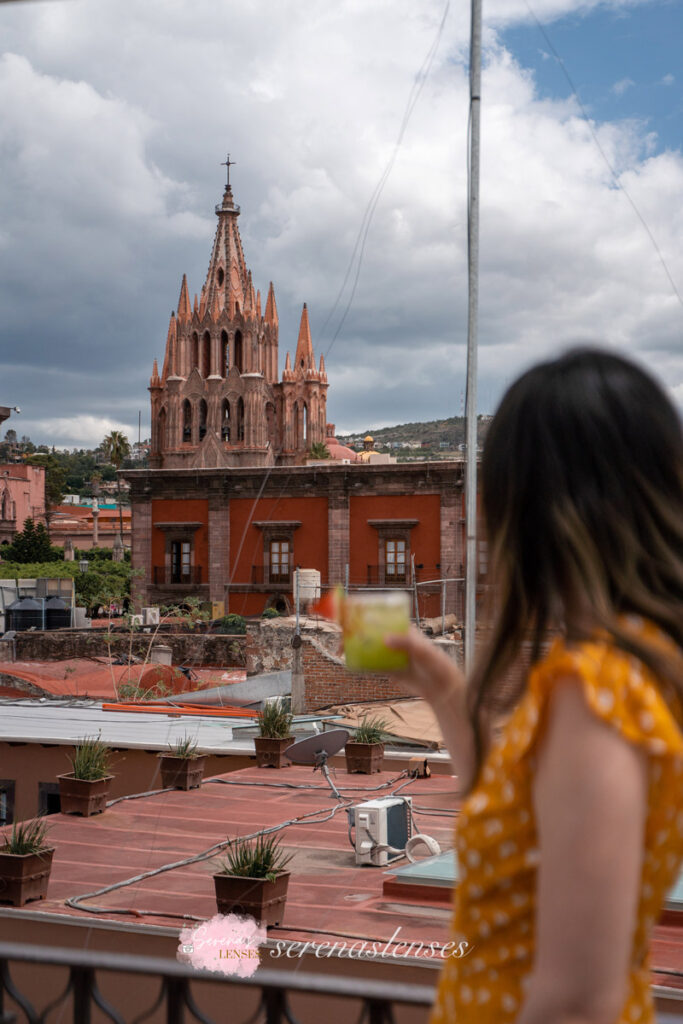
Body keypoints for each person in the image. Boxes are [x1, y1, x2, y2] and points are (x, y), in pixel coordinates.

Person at [387, 348, 683, 1024]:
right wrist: (439, 683)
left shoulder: (592, 688)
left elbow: (578, 1001)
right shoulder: (642, 670)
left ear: (531, 507)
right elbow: (523, 841)